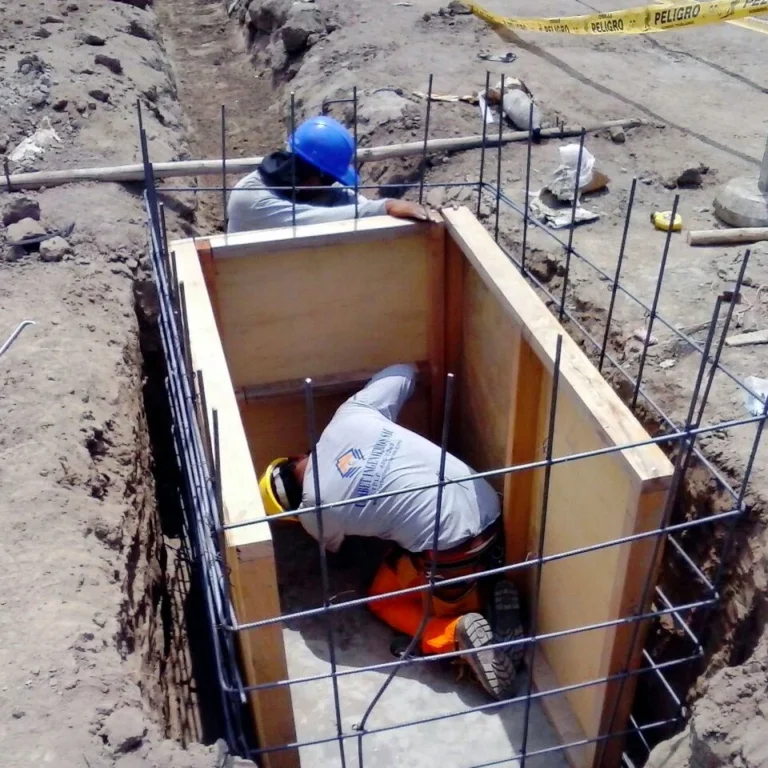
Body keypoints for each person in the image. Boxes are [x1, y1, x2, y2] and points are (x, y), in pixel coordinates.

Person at [258, 364, 524, 699]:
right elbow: (402, 372)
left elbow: (340, 549)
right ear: (294, 457)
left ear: (293, 515)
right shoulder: (350, 416)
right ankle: (490, 600)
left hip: (452, 553)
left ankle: (455, 632)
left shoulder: (313, 512)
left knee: (381, 599)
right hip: (490, 505)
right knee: (407, 538)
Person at [227, 115, 436, 233]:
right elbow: (314, 219)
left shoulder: (308, 186)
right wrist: (384, 207)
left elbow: (355, 205)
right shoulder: (250, 199)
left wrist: (372, 211)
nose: (332, 185)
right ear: (306, 173)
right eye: (328, 179)